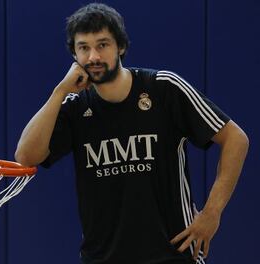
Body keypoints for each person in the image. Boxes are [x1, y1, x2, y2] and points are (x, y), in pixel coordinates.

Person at [15, 3, 249, 264]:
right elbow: (26, 156)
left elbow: (235, 139)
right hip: (102, 258)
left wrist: (212, 213)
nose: (93, 56)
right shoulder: (74, 107)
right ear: (74, 55)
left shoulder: (164, 88)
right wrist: (59, 91)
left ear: (121, 47)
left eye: (102, 45)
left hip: (173, 255)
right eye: (84, 47)